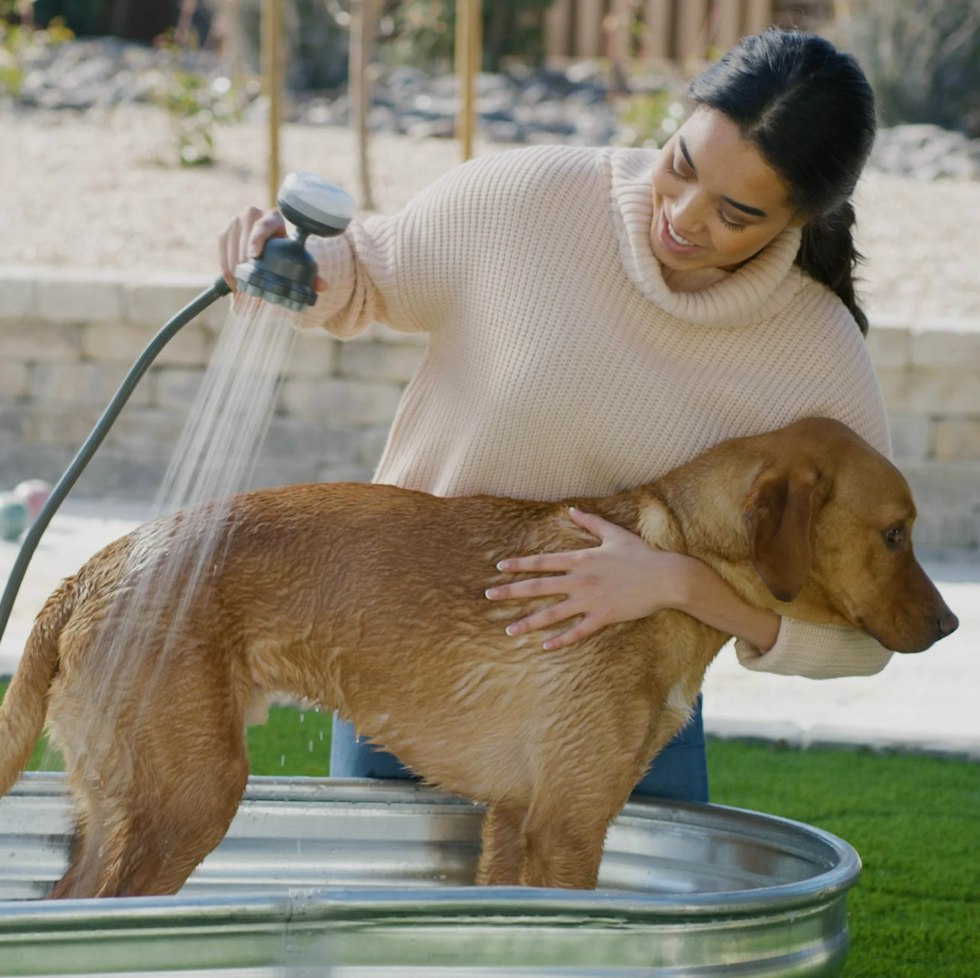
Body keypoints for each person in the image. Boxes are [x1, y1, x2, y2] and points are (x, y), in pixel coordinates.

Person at [218, 29, 894, 804]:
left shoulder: (815, 358)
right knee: (389, 925)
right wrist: (280, 258)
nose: (682, 214)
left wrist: (679, 584)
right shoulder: (531, 197)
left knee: (603, 931)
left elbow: (860, 632)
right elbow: (367, 271)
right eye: (681, 164)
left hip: (624, 704)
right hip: (403, 659)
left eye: (734, 214)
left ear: (798, 218)